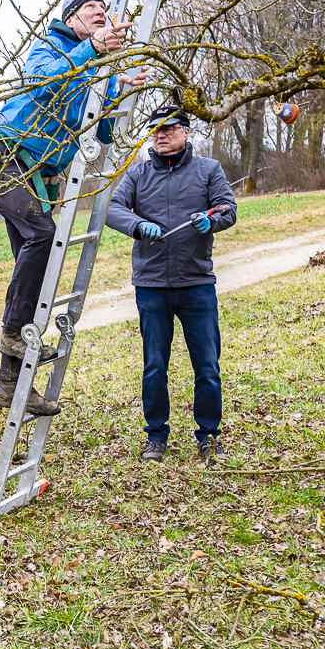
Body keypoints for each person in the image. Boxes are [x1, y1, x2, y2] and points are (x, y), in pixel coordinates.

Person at [0, 0, 149, 415]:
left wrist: (118, 92)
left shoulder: (95, 71)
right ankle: (13, 334)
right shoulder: (50, 48)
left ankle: (10, 384)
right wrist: (91, 50)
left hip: (38, 177)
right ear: (72, 19)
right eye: (91, 8)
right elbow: (42, 83)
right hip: (4, 159)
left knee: (35, 272)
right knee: (43, 237)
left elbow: (101, 133)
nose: (101, 13)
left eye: (104, 9)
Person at [105, 106, 237, 465]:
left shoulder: (209, 170)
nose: (160, 135)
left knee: (207, 366)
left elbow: (227, 208)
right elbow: (113, 209)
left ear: (186, 131)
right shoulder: (137, 174)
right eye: (155, 130)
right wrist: (137, 225)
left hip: (197, 284)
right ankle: (155, 436)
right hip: (151, 287)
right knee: (154, 366)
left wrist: (211, 221)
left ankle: (208, 436)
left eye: (169, 129)